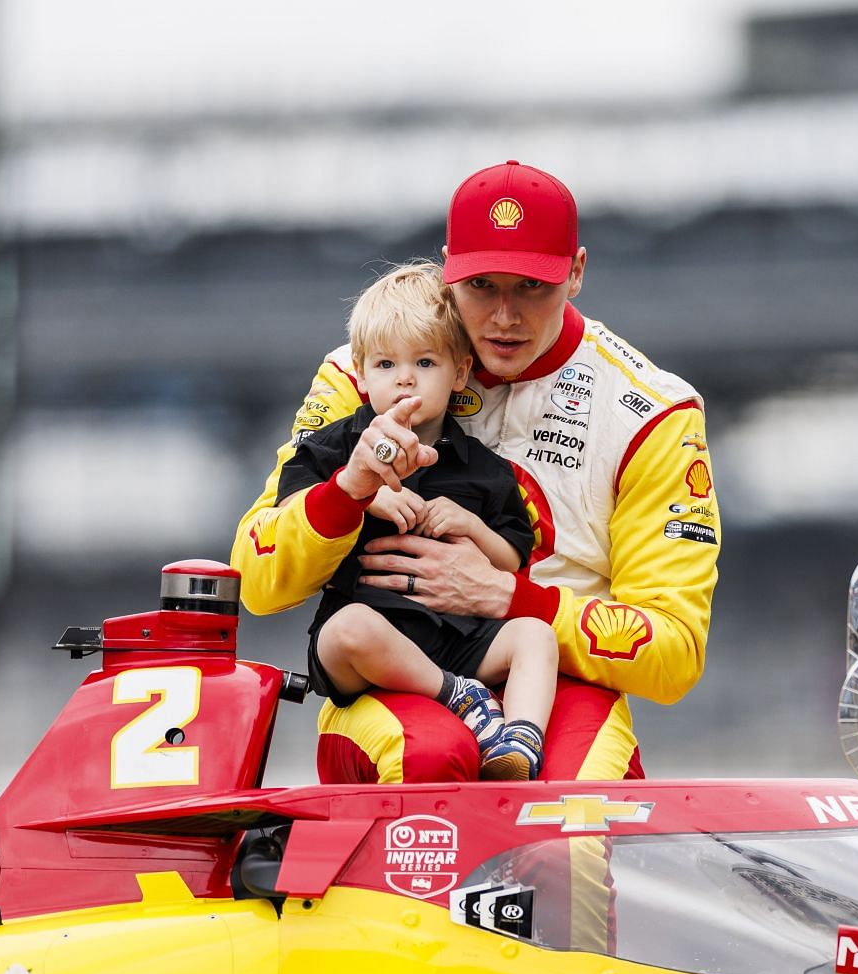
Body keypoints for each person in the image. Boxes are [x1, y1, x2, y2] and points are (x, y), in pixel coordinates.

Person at [231, 160, 718, 784]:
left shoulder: (655, 413)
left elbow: (674, 653)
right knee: (427, 760)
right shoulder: (360, 375)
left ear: (575, 273)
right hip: (392, 672)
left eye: (531, 287)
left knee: (574, 805)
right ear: (447, 270)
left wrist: (511, 597)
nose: (504, 316)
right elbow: (258, 578)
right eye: (482, 285)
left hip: (549, 681)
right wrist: (346, 493)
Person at [277, 263, 556, 780]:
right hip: (371, 639)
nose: (404, 377)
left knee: (537, 635)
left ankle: (520, 741)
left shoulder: (484, 468)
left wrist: (471, 527)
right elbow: (291, 506)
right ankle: (462, 698)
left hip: (458, 635)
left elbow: (514, 559)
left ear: (460, 372)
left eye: (424, 362)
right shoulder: (337, 444)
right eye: (385, 363)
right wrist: (356, 493)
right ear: (360, 372)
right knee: (343, 630)